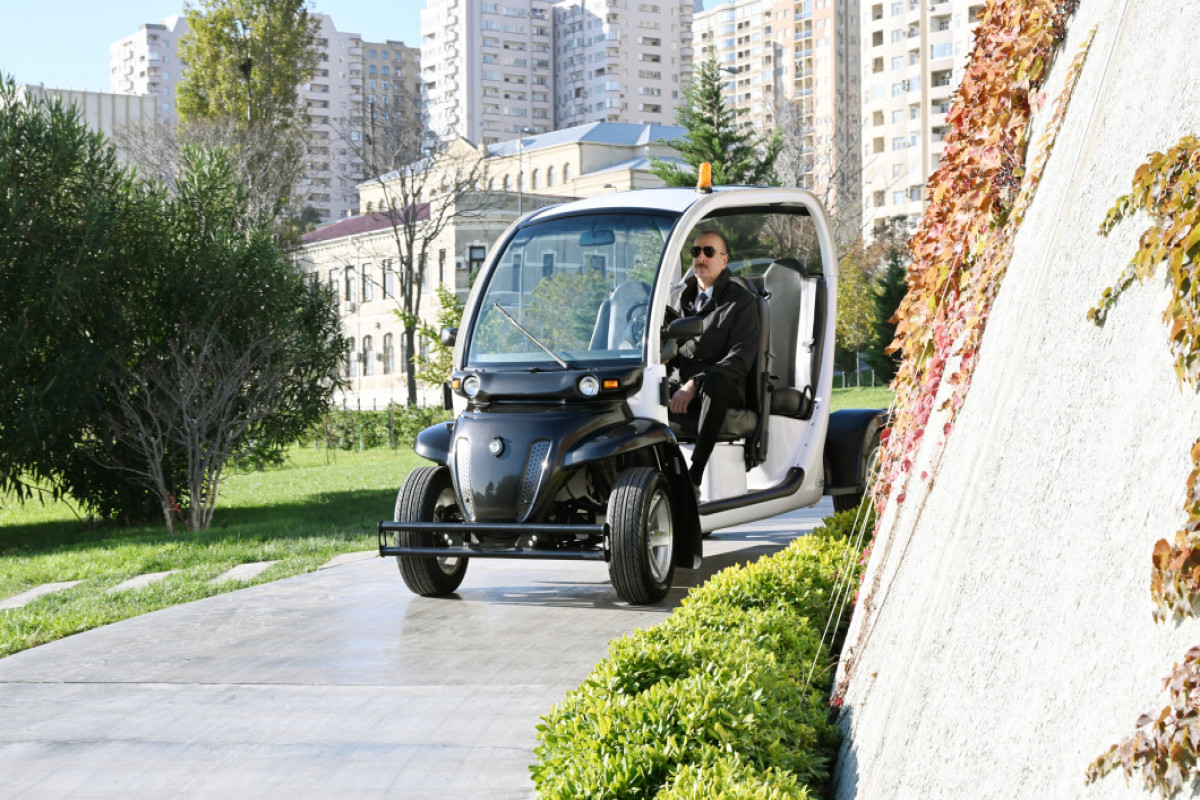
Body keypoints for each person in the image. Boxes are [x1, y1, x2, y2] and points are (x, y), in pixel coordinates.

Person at [667, 230, 761, 487]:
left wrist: (694, 383)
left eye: (709, 252)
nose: (701, 257)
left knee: (716, 381)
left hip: (722, 384)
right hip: (681, 381)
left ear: (724, 260)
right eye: (696, 252)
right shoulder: (677, 298)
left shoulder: (741, 301)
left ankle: (694, 475)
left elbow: (739, 359)